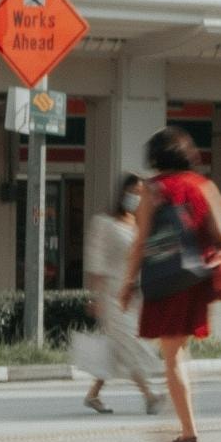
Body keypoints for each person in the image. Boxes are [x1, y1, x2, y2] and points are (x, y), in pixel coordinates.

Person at [119, 127, 221, 442]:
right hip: (196, 278)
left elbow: (140, 241)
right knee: (179, 352)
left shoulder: (151, 190)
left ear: (155, 157)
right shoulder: (204, 185)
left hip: (165, 280)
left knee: (171, 358)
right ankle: (184, 420)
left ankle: (188, 432)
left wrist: (128, 283)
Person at [78, 174, 163, 415]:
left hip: (136, 295)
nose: (136, 197)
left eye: (140, 193)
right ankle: (149, 395)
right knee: (129, 343)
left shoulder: (140, 226)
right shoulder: (104, 223)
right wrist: (94, 296)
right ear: (123, 192)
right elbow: (96, 262)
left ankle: (93, 394)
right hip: (112, 295)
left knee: (117, 347)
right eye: (133, 192)